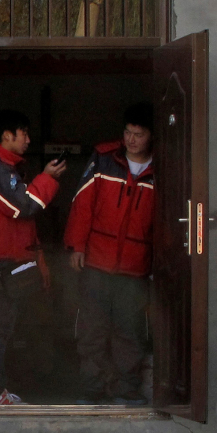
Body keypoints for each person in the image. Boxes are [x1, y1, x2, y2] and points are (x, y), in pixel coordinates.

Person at [0, 109, 67, 405]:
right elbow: (23, 205)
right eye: (24, 133)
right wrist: (47, 178)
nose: (28, 139)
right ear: (7, 135)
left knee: (0, 328)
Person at [64, 101, 156, 405]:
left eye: (138, 134)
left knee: (129, 332)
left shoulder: (161, 170)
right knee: (92, 329)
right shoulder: (104, 160)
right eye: (128, 132)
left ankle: (125, 390)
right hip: (97, 262)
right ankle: (92, 390)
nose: (131, 139)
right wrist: (77, 246)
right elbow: (82, 204)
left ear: (151, 137)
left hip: (135, 267)